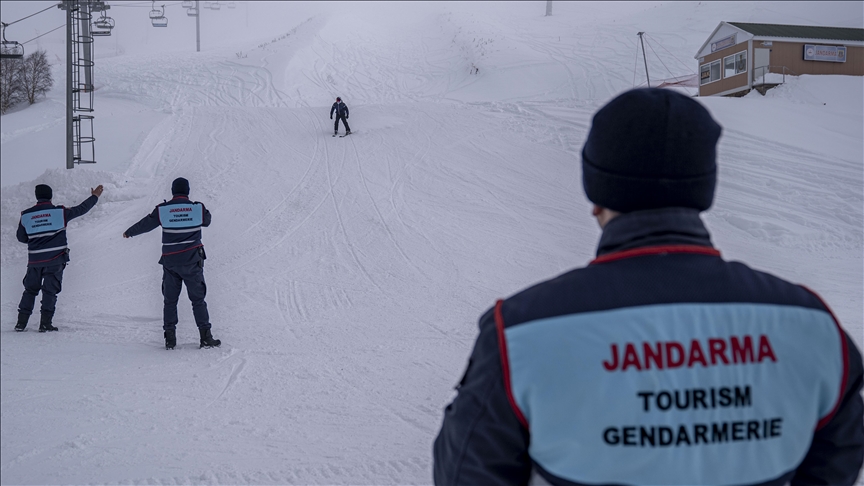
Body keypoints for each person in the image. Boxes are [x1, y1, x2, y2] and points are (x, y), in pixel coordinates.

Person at [433, 88, 863, 485]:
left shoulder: (521, 332)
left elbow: (467, 473)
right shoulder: (810, 324)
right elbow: (838, 456)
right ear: (703, 188)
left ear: (596, 195)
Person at [123, 177, 221, 350]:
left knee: (170, 301)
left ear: (173, 191)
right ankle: (206, 337)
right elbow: (207, 220)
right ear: (188, 191)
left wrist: (129, 232)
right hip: (192, 262)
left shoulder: (163, 210)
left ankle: (170, 339)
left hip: (171, 263)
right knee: (198, 300)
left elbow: (146, 224)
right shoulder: (197, 208)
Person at [16, 184, 103, 332]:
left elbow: (21, 237)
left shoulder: (26, 215)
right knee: (50, 291)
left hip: (35, 261)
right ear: (51, 196)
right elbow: (81, 209)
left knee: (30, 291)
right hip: (55, 260)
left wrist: (36, 238)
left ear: (37, 196)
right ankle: (45, 324)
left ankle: (20, 324)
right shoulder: (60, 212)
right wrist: (95, 196)